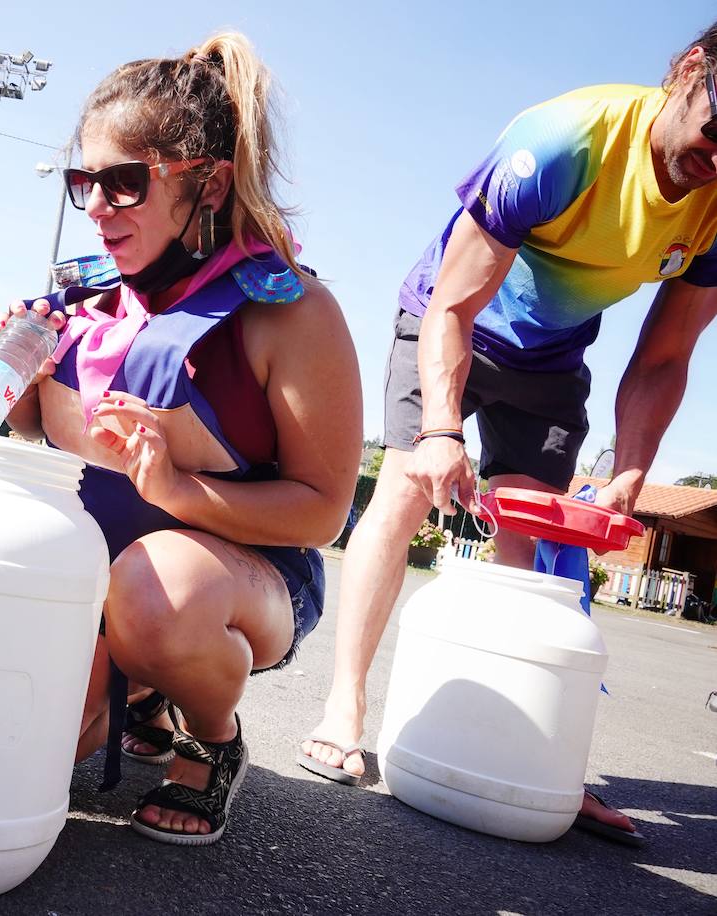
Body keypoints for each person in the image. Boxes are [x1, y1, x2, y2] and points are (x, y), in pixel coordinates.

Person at [298, 21, 717, 847]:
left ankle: (531, 754)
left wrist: (632, 471)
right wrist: (445, 432)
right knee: (416, 480)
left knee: (530, 534)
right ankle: (344, 705)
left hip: (552, 355)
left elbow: (666, 354)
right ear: (690, 71)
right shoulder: (566, 140)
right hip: (451, 314)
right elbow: (455, 304)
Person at [1, 32, 361, 845]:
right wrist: (22, 392)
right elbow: (39, 435)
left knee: (159, 597)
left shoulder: (291, 312)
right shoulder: (80, 300)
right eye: (83, 182)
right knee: (31, 749)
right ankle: (142, 695)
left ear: (209, 184)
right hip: (96, 580)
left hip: (233, 584)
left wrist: (176, 491)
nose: (96, 206)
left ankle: (211, 739)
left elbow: (321, 512)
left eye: (124, 183)